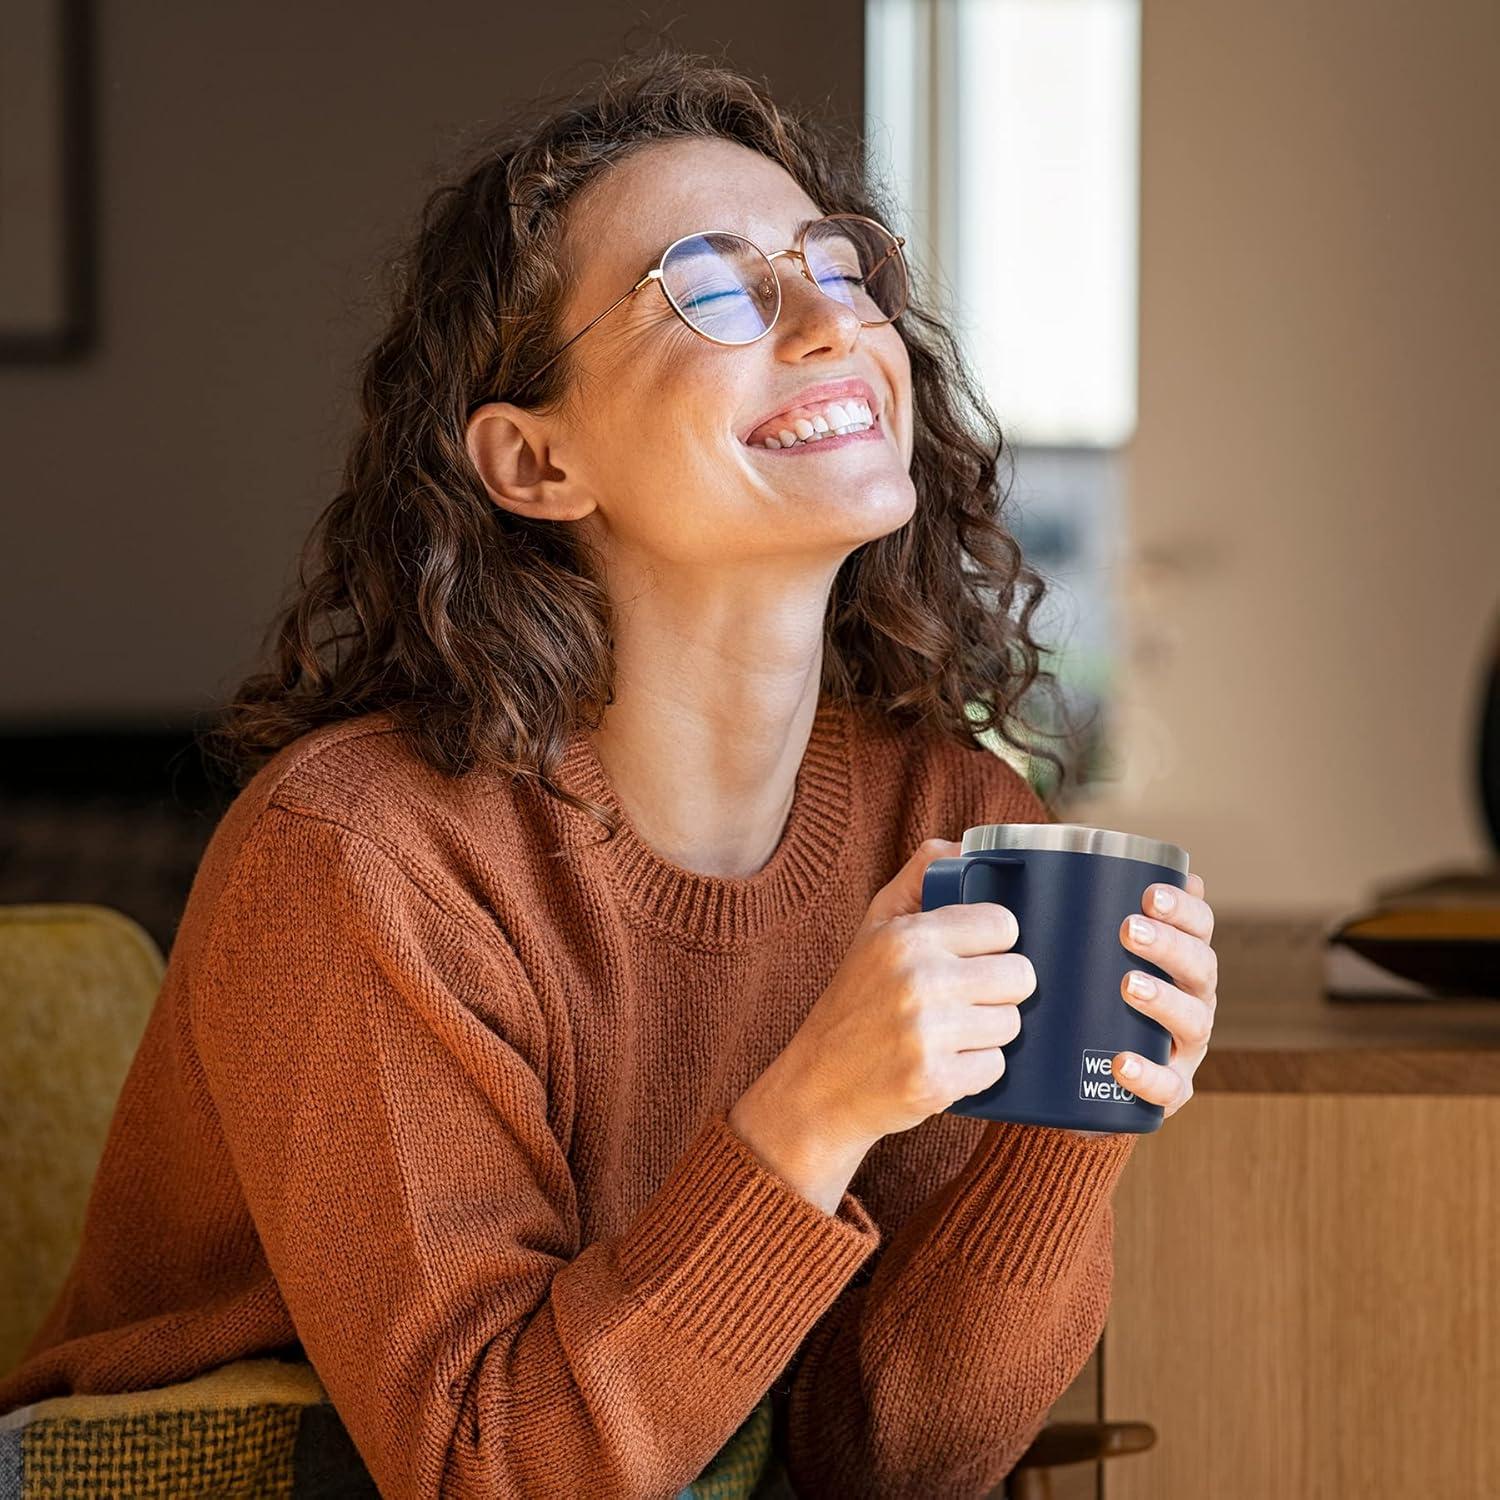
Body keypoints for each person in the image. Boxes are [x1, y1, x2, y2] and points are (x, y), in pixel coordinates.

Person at [0, 46, 1219, 1499]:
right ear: (532, 462)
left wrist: (1077, 1119)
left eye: (838, 266)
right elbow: (483, 1470)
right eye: (711, 286)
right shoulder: (362, 856)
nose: (833, 325)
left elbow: (881, 1460)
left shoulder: (952, 818)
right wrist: (809, 1112)